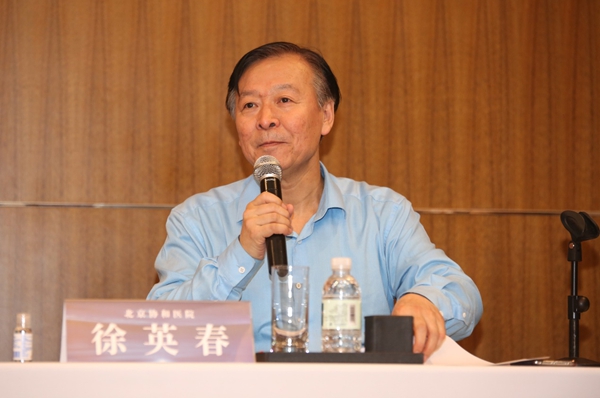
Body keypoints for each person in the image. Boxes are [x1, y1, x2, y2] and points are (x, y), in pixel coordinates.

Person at [147, 41, 483, 360]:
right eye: (250, 105)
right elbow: (160, 328)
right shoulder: (197, 219)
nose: (265, 119)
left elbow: (460, 292)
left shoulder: (383, 214)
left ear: (326, 115)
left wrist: (423, 300)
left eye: (284, 100)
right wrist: (241, 252)